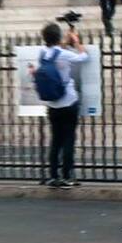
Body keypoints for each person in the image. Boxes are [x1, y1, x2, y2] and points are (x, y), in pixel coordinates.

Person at [35, 24, 89, 189]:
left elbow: (55, 53)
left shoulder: (43, 53)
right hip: (68, 101)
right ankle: (67, 176)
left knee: (56, 141)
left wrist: (63, 41)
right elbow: (83, 57)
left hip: (52, 104)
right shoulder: (65, 54)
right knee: (68, 140)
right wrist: (76, 41)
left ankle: (53, 176)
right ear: (58, 37)